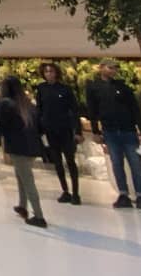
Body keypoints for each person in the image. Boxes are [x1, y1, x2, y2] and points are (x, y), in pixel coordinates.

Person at [86, 59, 141, 211]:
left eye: (115, 68)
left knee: (135, 163)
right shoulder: (94, 87)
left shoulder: (122, 87)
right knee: (117, 163)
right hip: (110, 131)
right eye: (110, 68)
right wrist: (96, 131)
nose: (113, 71)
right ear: (101, 68)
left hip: (128, 130)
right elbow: (92, 110)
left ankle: (140, 195)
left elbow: (134, 108)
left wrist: (140, 130)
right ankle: (123, 194)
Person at [0, 75, 48, 228]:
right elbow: (40, 126)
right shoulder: (28, 104)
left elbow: (0, 125)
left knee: (27, 180)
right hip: (31, 146)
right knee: (21, 176)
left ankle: (39, 216)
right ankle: (22, 206)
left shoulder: (6, 103)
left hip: (18, 146)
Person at [36, 62, 83, 205]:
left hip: (65, 130)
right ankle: (65, 190)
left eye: (51, 71)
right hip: (50, 130)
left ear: (56, 73)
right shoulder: (41, 89)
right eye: (46, 72)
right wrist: (39, 129)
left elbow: (74, 110)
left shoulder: (65, 89)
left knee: (70, 160)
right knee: (57, 162)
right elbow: (39, 110)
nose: (49, 74)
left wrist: (77, 130)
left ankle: (76, 192)